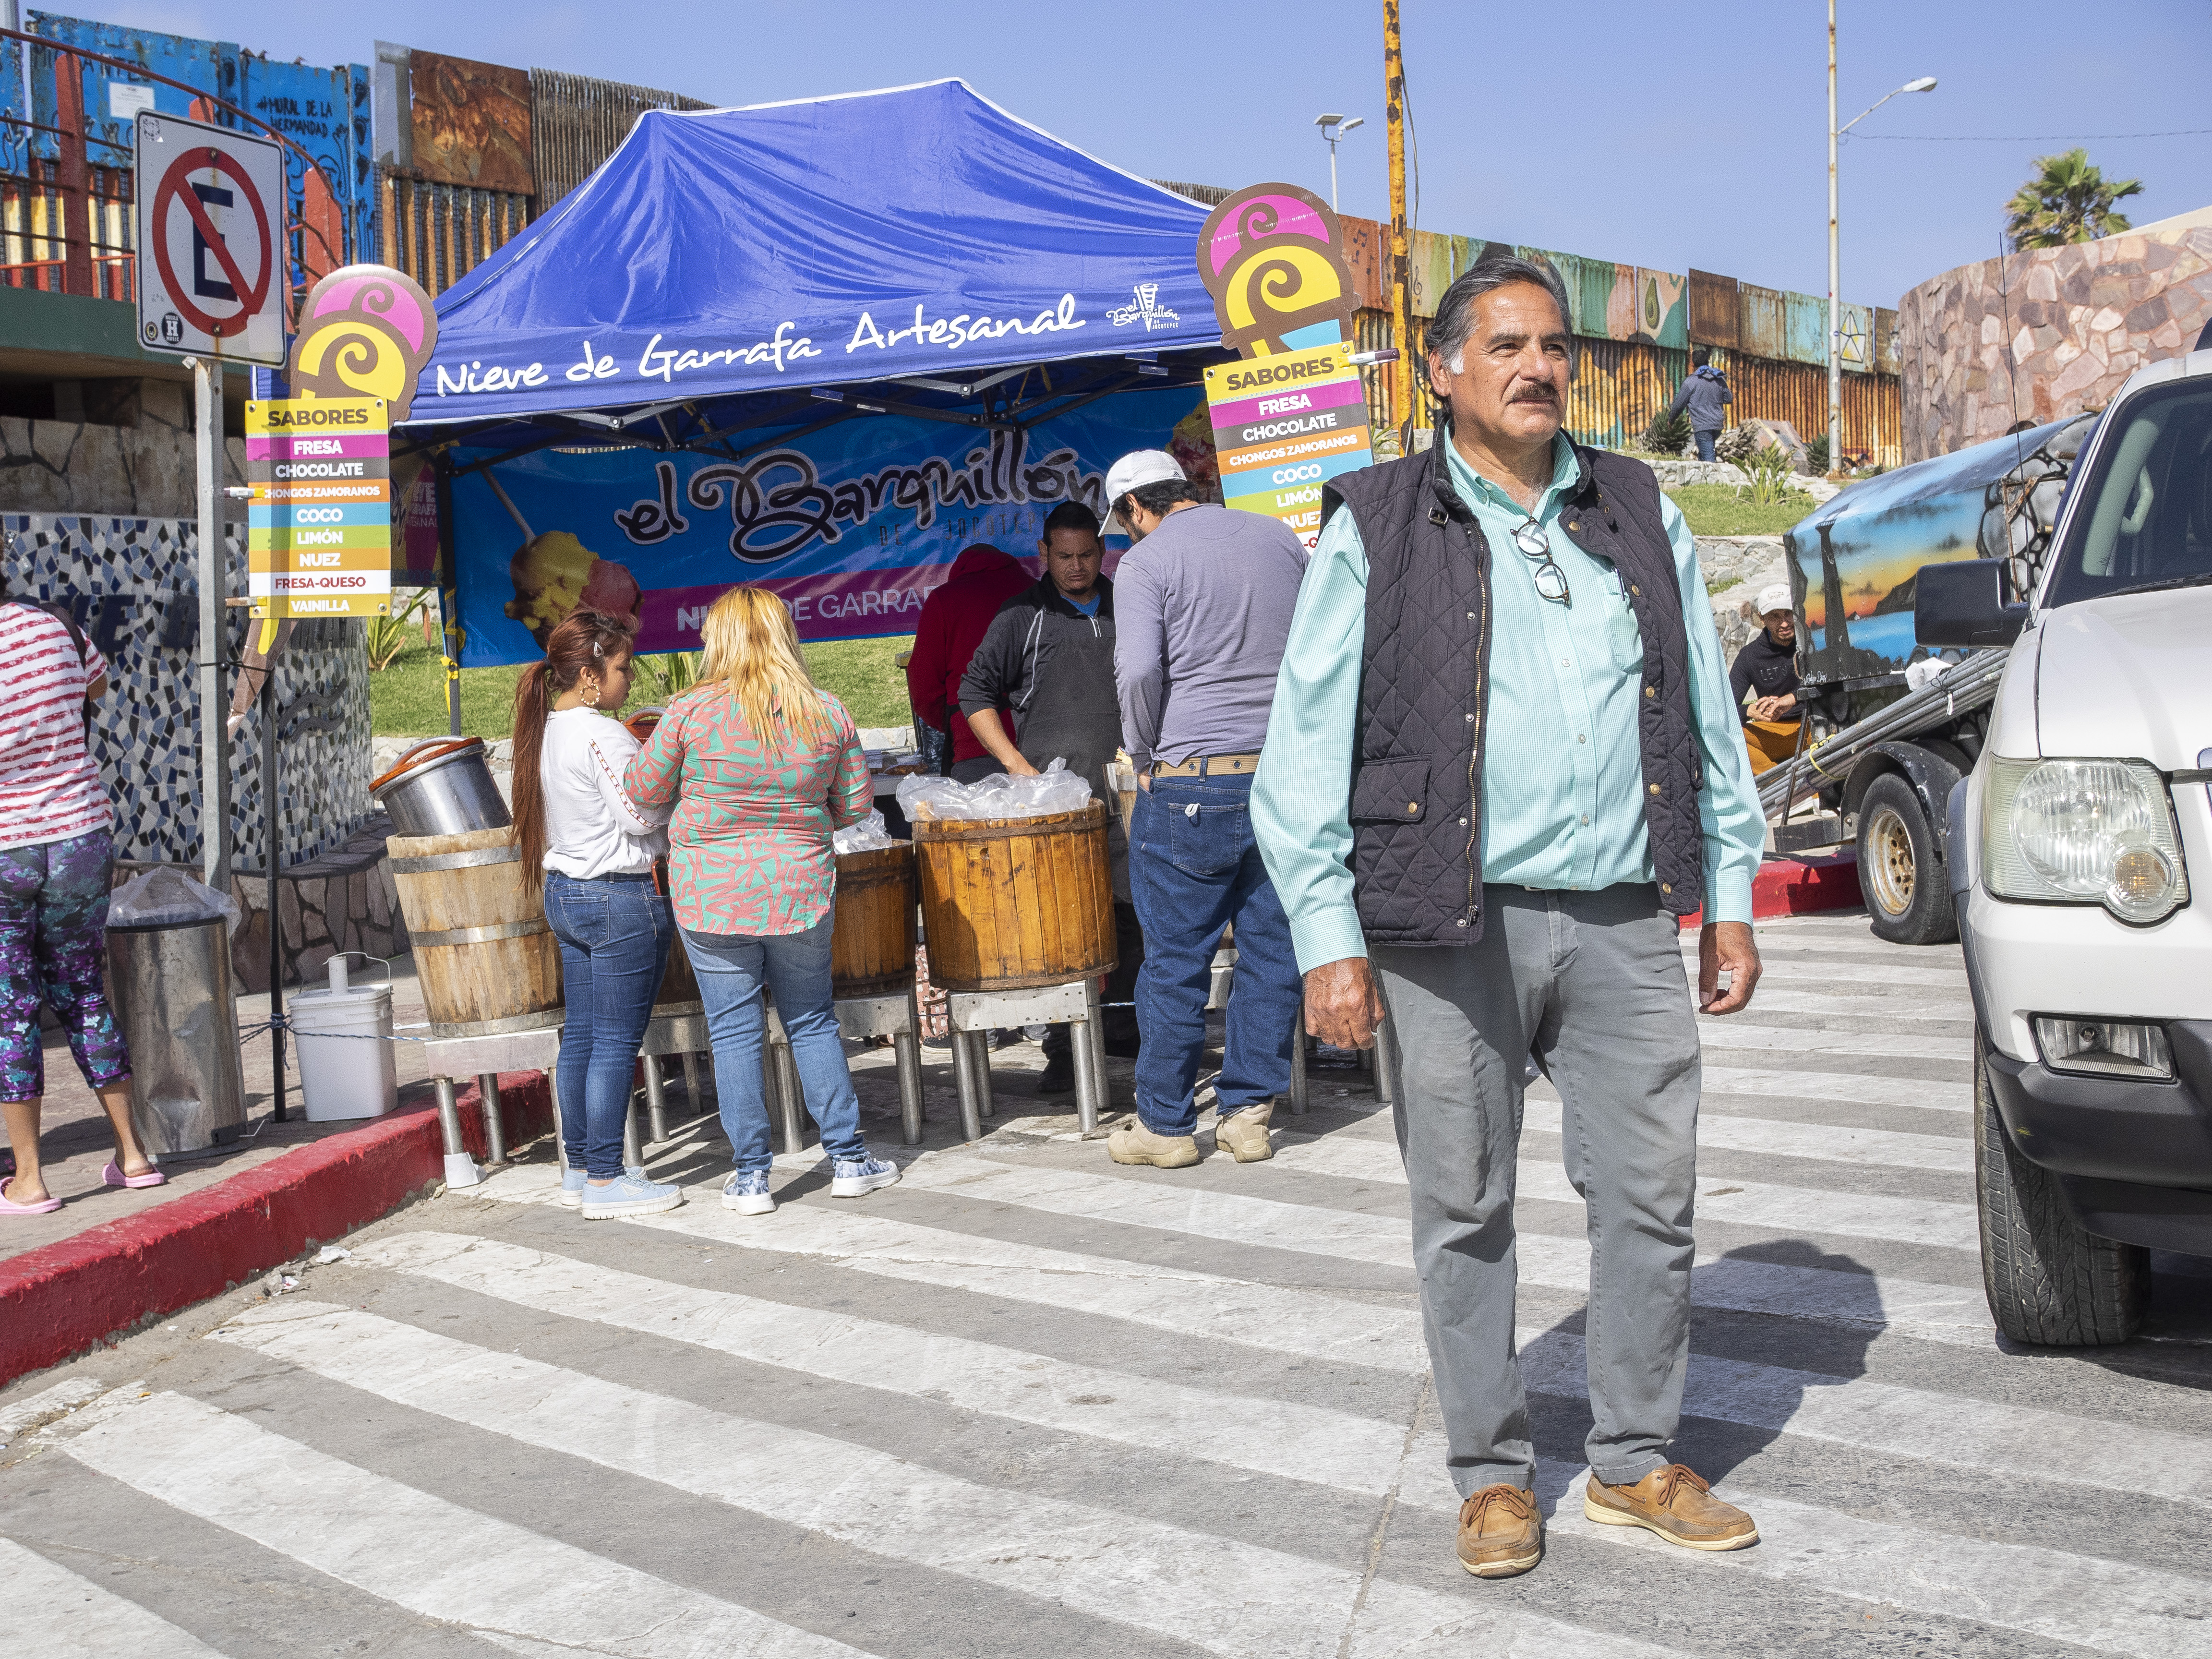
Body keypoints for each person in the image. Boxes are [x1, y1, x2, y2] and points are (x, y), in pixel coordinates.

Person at [1253, 256, 1768, 1579]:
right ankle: (1490, 1474)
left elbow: (1706, 708)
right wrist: (1327, 940)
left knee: (1650, 1196)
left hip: (1619, 920)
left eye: (1553, 346)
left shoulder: (1639, 506)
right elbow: (1303, 752)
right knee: (1463, 1202)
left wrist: (1730, 894)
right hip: (1445, 924)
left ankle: (1637, 1458)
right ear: (1442, 370)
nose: (1538, 367)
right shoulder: (1374, 520)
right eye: (1506, 346)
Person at [627, 586, 900, 1215]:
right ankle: (851, 1159)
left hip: (711, 896)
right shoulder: (826, 711)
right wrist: (805, 813)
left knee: (733, 1032)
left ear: (717, 639)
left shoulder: (691, 712)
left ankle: (752, 1176)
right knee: (811, 1020)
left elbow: (643, 788)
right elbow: (857, 805)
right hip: (799, 890)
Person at [1103, 449, 1307, 1168]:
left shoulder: (1144, 563)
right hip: (1283, 776)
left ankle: (1163, 1124)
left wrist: (1144, 753)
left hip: (1192, 779)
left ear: (1134, 508)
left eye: (1122, 523)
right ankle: (1248, 1116)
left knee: (1175, 960)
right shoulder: (1279, 537)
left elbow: (1138, 670)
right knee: (1273, 950)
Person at [959, 501, 1141, 1093]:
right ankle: (1065, 1048)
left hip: (1133, 798)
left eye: (1087, 554)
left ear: (1103, 551)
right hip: (1058, 809)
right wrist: (1016, 766)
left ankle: (1135, 1034)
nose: (1077, 567)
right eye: (1064, 556)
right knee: (1071, 929)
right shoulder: (1022, 617)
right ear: (1044, 554)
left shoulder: (1131, 604)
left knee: (1138, 917)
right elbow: (974, 695)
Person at [511, 609, 684, 1220]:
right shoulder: (600, 734)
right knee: (613, 1043)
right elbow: (640, 815)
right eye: (621, 668)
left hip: (568, 893)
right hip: (616, 898)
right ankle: (607, 1180)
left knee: (583, 1037)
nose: (628, 679)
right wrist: (675, 805)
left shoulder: (545, 729)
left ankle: (583, 1168)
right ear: (588, 676)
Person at [0, 596, 151, 1214]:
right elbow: (99, 686)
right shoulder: (53, 624)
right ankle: (134, 1155)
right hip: (78, 837)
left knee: (12, 1009)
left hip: (5, 849)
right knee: (85, 990)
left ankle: (30, 1180)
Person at [904, 542, 1032, 782]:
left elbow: (923, 689)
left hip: (974, 748)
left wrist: (957, 723)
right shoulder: (1037, 592)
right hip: (1041, 743)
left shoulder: (945, 599)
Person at [1731, 584, 1805, 775]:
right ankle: (1783, 783)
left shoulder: (1813, 642)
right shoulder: (1749, 656)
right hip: (1773, 731)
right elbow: (1725, 710)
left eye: (1788, 613)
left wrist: (1790, 699)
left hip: (1814, 723)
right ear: (1762, 618)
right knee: (1728, 738)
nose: (1785, 623)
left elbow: (1832, 685)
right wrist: (1750, 711)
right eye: (1775, 616)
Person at [1665, 347, 1733, 462]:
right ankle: (1703, 477)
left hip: (1702, 426)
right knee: (1704, 452)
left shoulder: (1691, 381)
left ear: (1692, 363)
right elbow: (1729, 398)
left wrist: (1671, 420)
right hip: (1717, 425)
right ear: (1708, 362)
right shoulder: (1719, 379)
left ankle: (1712, 479)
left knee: (1708, 457)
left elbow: (1679, 404)